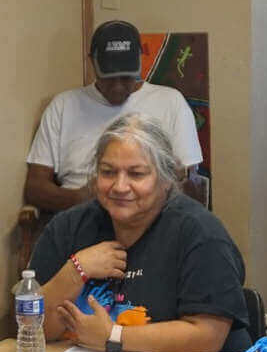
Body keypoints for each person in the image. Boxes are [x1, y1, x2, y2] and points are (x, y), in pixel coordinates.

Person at [27, 113, 251, 352]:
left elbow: (208, 336)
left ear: (166, 179)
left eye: (136, 174)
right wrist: (76, 269)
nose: (120, 187)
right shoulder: (68, 228)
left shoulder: (200, 233)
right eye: (108, 172)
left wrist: (112, 336)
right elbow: (33, 330)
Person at [23, 19, 203, 214]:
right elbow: (35, 188)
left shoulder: (171, 102)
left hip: (151, 218)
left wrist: (159, 191)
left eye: (126, 77)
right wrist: (80, 198)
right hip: (83, 217)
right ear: (92, 62)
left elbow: (193, 190)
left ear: (140, 60)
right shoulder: (63, 106)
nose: (117, 86)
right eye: (108, 78)